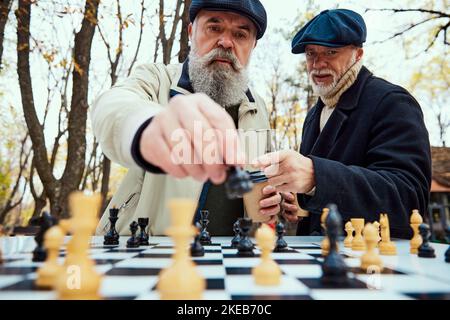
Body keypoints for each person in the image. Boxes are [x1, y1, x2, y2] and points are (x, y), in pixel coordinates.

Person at [92, 0, 281, 236]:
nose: (225, 42)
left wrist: (279, 200)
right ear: (191, 32)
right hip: (151, 253)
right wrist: (149, 127)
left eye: (240, 35)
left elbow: (262, 184)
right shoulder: (157, 78)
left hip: (237, 261)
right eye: (214, 28)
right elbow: (111, 105)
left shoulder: (258, 106)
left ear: (253, 46)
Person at [256, 9, 431, 239]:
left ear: (358, 54)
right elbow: (323, 193)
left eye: (331, 52)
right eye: (311, 54)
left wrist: (315, 177)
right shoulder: (312, 115)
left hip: (376, 265)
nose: (318, 64)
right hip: (318, 260)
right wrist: (300, 201)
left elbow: (408, 198)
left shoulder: (392, 102)